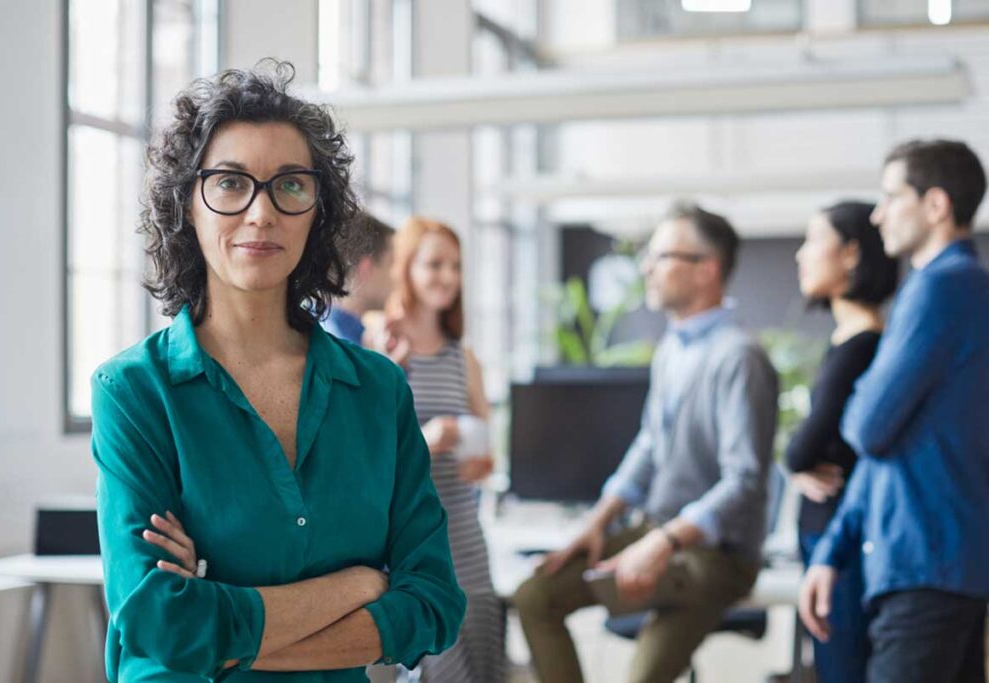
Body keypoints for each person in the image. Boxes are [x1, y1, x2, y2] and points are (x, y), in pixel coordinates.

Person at [89, 62, 465, 682]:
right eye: (231, 183)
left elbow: (434, 603)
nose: (261, 213)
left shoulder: (377, 391)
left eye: (290, 185)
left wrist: (224, 621)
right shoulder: (134, 392)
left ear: (318, 209)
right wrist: (360, 584)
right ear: (188, 203)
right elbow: (157, 620)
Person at [513, 202, 779, 683]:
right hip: (658, 530)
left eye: (661, 256)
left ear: (706, 270)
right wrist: (598, 522)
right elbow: (651, 446)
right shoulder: (674, 349)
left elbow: (744, 481)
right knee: (536, 596)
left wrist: (661, 543)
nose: (646, 268)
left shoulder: (739, 357)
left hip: (714, 555)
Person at [799, 139, 989, 683]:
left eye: (891, 197)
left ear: (936, 206)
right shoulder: (943, 291)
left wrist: (862, 396)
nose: (879, 215)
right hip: (932, 563)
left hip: (925, 561)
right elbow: (885, 448)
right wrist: (832, 552)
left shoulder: (942, 290)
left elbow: (866, 426)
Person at [385, 216, 505, 682]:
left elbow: (489, 450)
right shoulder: (384, 346)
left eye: (454, 266)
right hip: (411, 538)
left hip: (464, 534)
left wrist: (482, 461)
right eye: (434, 264)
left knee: (478, 658)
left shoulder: (463, 357)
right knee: (434, 663)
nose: (447, 277)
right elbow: (367, 454)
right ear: (406, 269)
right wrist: (426, 442)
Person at [787, 201, 898, 683]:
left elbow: (800, 450)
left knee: (845, 669)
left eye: (813, 240)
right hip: (829, 535)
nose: (800, 255)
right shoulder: (847, 342)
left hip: (844, 540)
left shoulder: (862, 344)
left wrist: (793, 464)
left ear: (851, 253)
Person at [321, 212, 395, 346]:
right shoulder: (344, 348)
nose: (400, 276)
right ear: (366, 269)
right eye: (392, 264)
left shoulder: (322, 328)